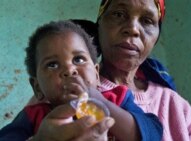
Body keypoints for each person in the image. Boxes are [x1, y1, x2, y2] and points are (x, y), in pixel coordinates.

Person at [85, 0, 191, 141]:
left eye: (147, 21)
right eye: (119, 14)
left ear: (156, 37)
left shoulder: (174, 104)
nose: (133, 28)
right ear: (99, 24)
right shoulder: (80, 93)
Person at [0, 20, 163, 141]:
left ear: (97, 74)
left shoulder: (117, 99)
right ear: (37, 88)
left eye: (78, 59)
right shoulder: (33, 116)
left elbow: (154, 133)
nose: (69, 70)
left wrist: (99, 100)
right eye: (52, 64)